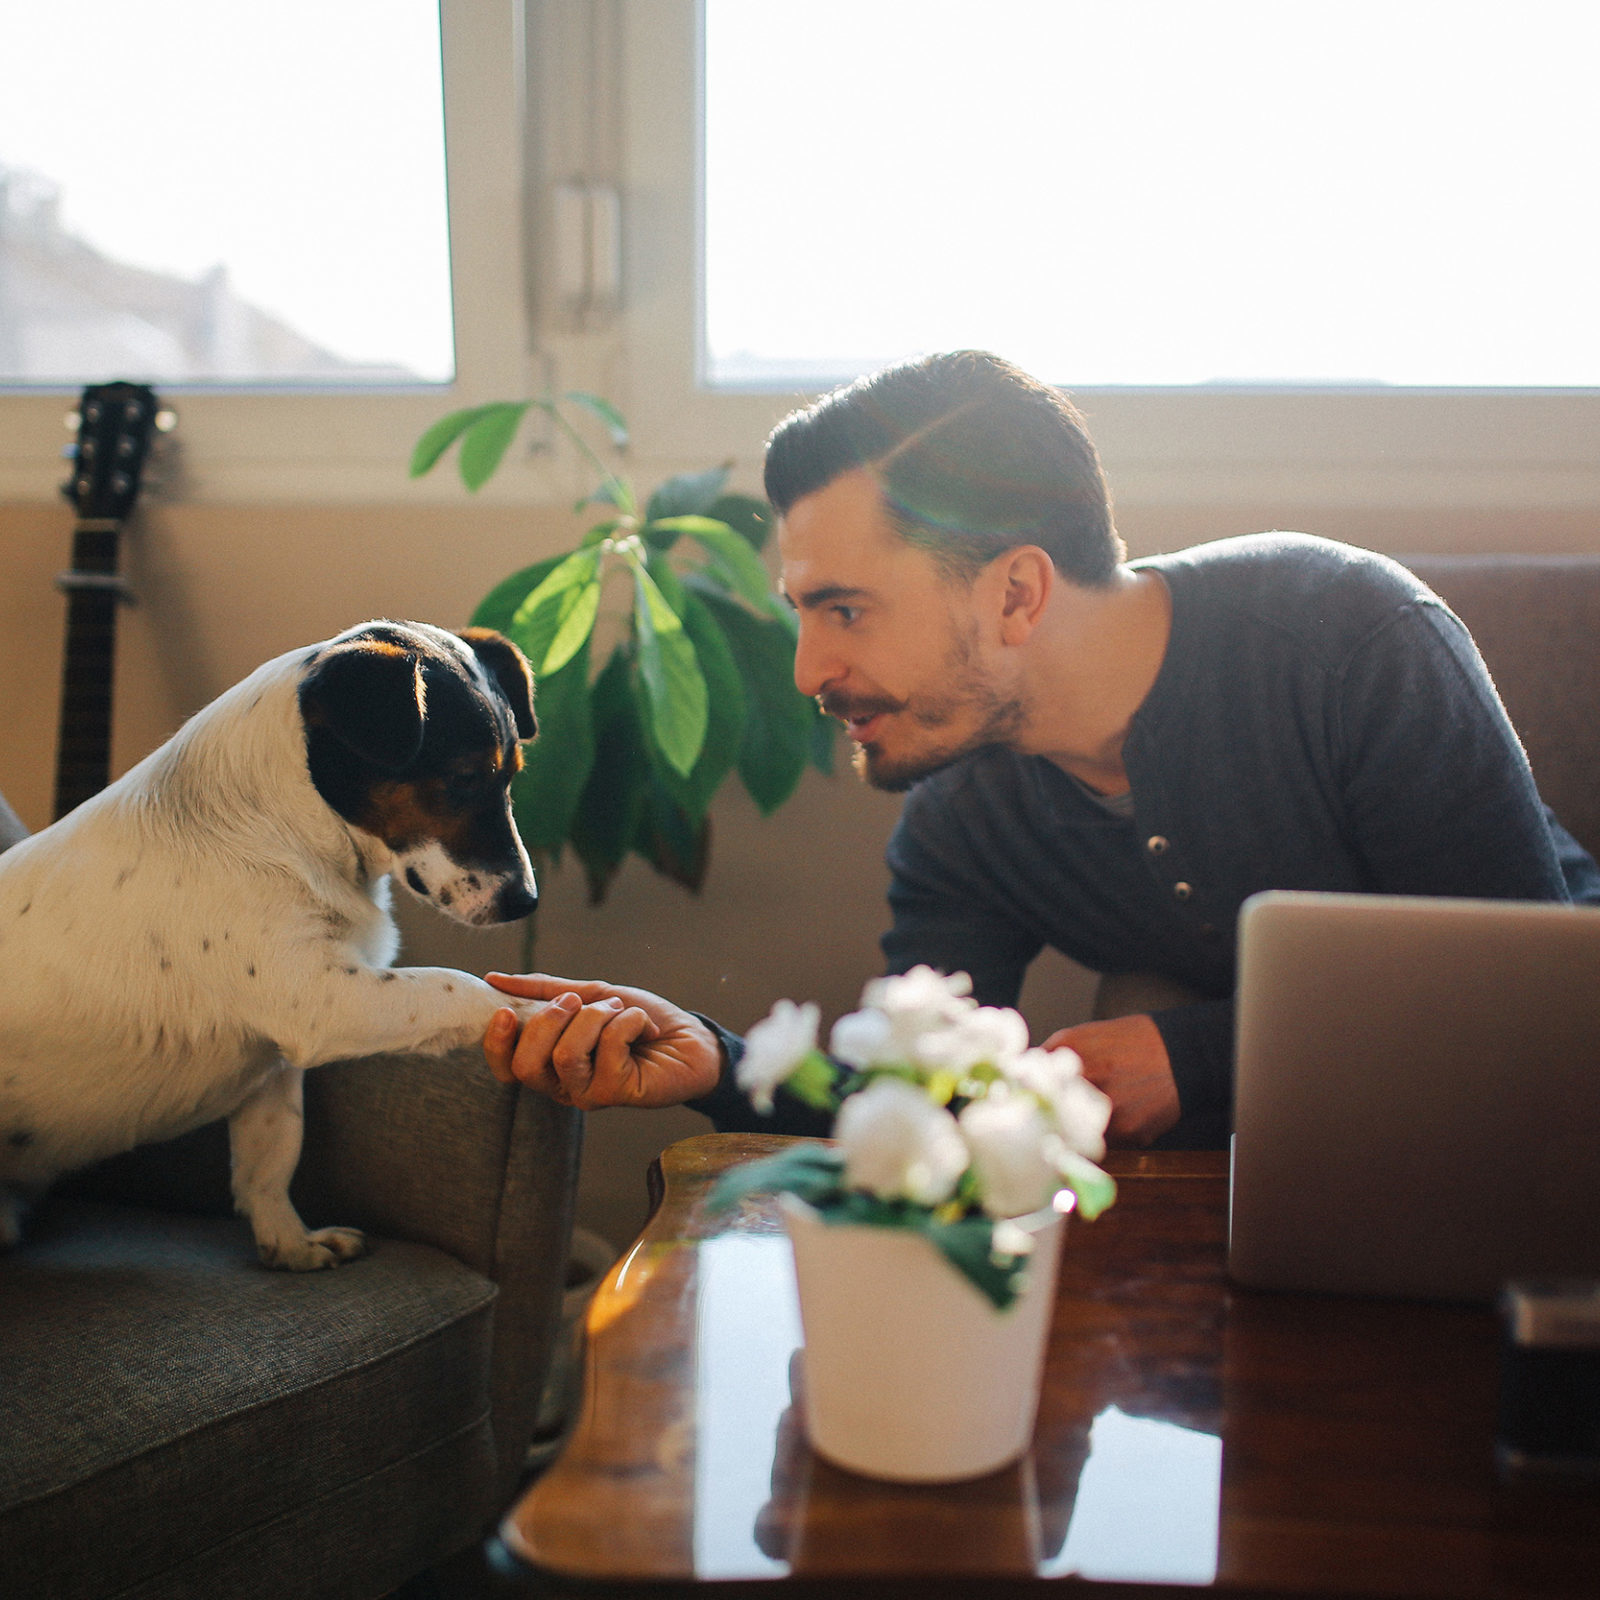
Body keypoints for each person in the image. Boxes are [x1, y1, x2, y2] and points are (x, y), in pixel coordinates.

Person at [480, 350, 1600, 1148]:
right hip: (1270, 1174)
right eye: (803, 614)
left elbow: (1529, 1015)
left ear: (1016, 589)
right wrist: (719, 1063)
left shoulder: (1347, 641)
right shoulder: (963, 813)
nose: (806, 673)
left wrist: (1200, 1058)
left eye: (847, 611)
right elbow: (916, 1093)